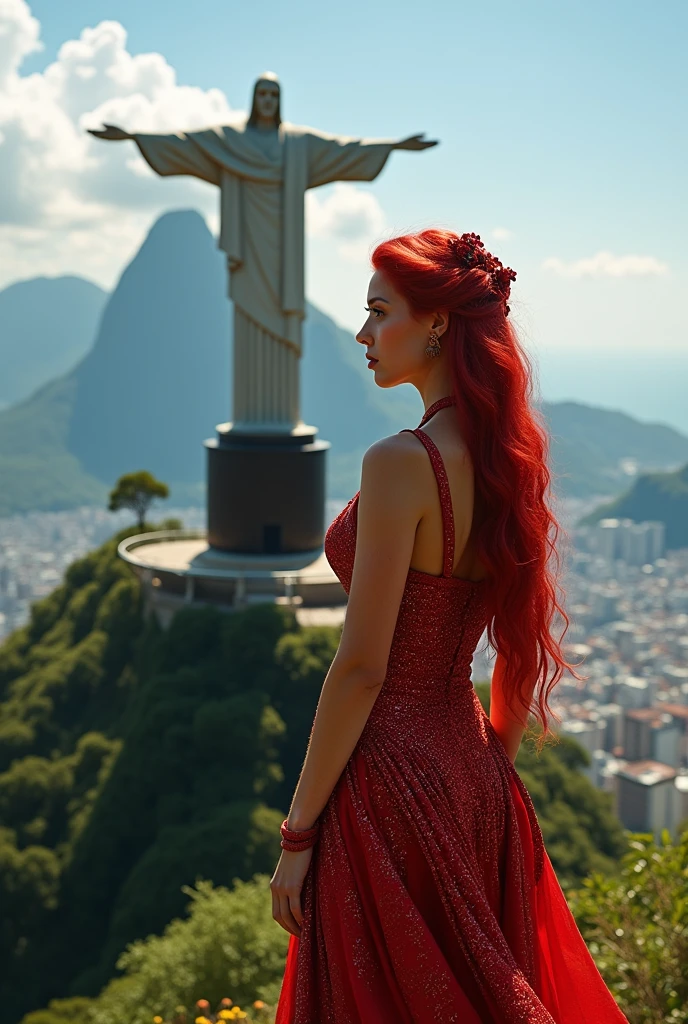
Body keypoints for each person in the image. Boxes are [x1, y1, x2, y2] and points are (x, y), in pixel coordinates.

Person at [271, 229, 630, 1023]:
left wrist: (297, 839)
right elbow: (515, 650)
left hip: (389, 779)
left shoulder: (402, 461)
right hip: (474, 771)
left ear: (436, 324)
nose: (363, 336)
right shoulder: (507, 458)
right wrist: (482, 778)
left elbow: (362, 668)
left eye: (377, 313)